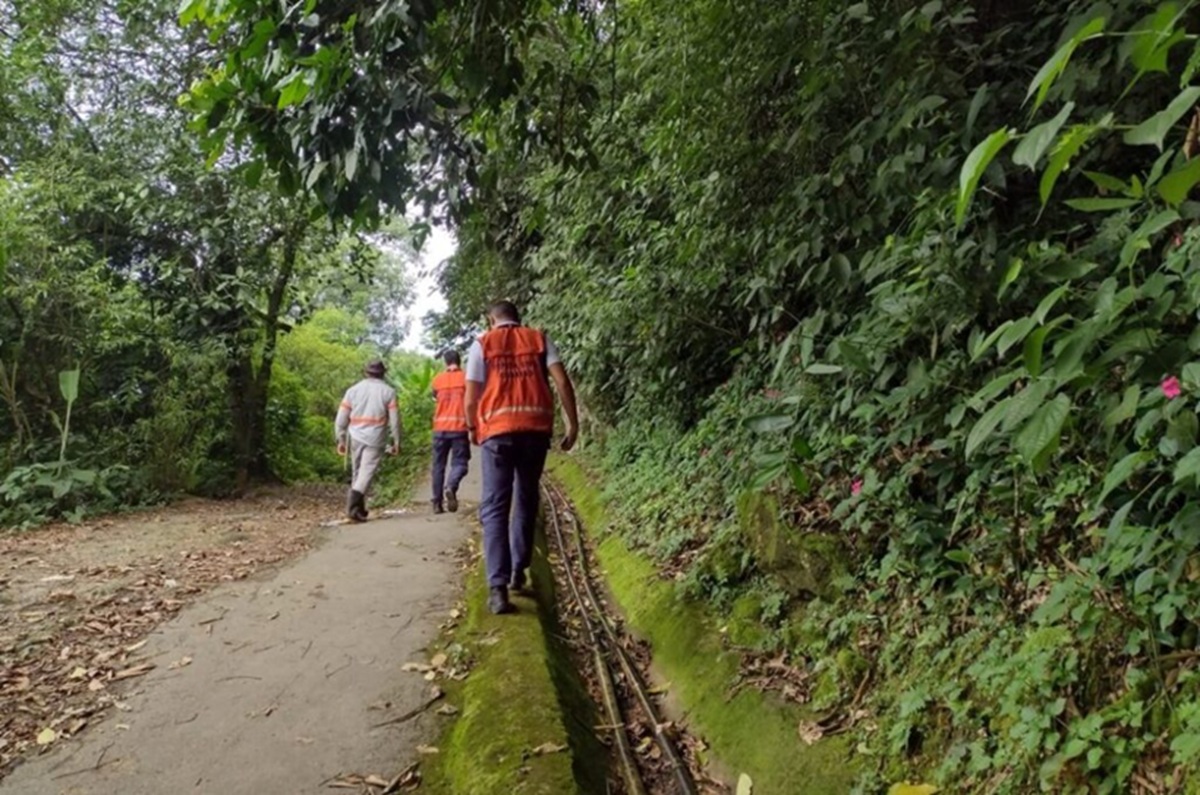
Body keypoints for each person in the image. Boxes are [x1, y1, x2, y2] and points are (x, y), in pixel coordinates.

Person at [465, 300, 579, 615]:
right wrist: (573, 423)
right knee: (527, 498)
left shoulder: (482, 343)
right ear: (518, 318)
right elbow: (561, 381)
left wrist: (472, 426)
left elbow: (472, 392)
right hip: (535, 430)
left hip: (498, 433)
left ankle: (498, 590)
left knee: (495, 506)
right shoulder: (539, 338)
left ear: (492, 319)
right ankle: (518, 571)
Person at [334, 359, 401, 522]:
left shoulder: (353, 390)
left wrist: (340, 438)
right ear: (383, 374)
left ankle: (359, 509)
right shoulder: (388, 392)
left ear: (366, 372)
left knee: (358, 473)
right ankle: (352, 507)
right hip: (375, 438)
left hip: (355, 436)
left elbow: (341, 417)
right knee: (366, 473)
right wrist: (397, 441)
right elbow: (395, 421)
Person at [430, 350, 470, 514]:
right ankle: (451, 486)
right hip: (459, 427)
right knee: (460, 463)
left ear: (446, 362)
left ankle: (436, 504)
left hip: (439, 429)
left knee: (438, 466)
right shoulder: (466, 378)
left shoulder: (437, 380)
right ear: (459, 361)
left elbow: (434, 397)